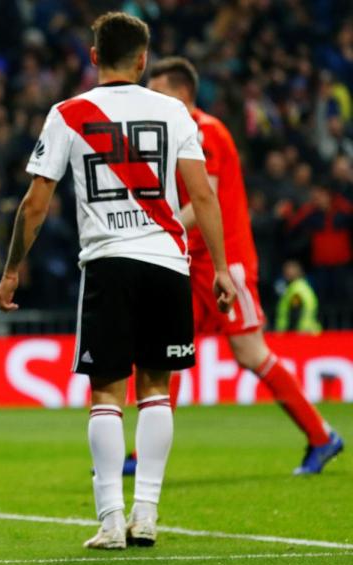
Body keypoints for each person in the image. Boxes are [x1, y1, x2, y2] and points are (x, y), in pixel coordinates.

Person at [0, 13, 236, 550]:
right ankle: (146, 514)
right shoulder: (174, 110)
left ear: (93, 55)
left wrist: (12, 269)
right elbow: (202, 195)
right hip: (167, 263)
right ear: (144, 59)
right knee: (157, 390)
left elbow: (35, 203)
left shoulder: (68, 113)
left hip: (107, 262)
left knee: (106, 393)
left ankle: (110, 520)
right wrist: (219, 268)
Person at [146, 57, 343, 475]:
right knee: (170, 351)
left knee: (251, 352)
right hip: (188, 261)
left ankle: (321, 436)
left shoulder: (206, 131)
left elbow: (205, 200)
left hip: (225, 263)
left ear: (182, 94)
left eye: (158, 91)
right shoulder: (173, 134)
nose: (151, 99)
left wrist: (154, 229)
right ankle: (147, 454)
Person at [275, 259, 322, 335]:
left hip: (300, 333)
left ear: (297, 271)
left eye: (289, 270)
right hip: (305, 332)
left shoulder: (297, 290)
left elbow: (295, 313)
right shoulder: (300, 287)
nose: (285, 273)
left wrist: (289, 332)